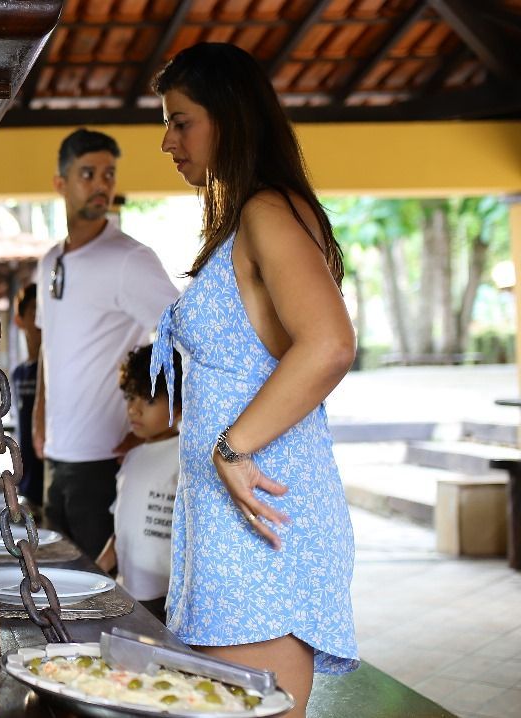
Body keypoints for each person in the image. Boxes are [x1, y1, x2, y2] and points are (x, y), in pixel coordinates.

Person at [150, 42, 359, 714]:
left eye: (182, 122)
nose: (167, 141)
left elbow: (328, 344)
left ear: (229, 119)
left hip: (263, 525)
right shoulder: (246, 217)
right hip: (232, 525)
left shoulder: (268, 211)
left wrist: (231, 449)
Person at [31, 129, 179, 560]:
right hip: (55, 460)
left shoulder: (130, 260)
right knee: (56, 591)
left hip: (106, 462)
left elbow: (188, 343)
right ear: (60, 183)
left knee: (102, 600)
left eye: (108, 174)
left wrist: (163, 430)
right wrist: (39, 415)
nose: (101, 185)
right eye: (88, 173)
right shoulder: (49, 262)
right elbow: (48, 347)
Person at [95, 344, 182, 624]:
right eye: (131, 397)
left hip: (165, 597)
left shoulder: (184, 457)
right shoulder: (132, 457)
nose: (134, 409)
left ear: (179, 405)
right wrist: (99, 568)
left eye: (149, 400)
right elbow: (122, 525)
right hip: (126, 590)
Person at [10, 283, 44, 508]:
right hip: (27, 483)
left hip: (48, 479)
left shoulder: (57, 370)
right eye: (34, 311)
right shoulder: (19, 374)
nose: (40, 319)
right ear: (19, 320)